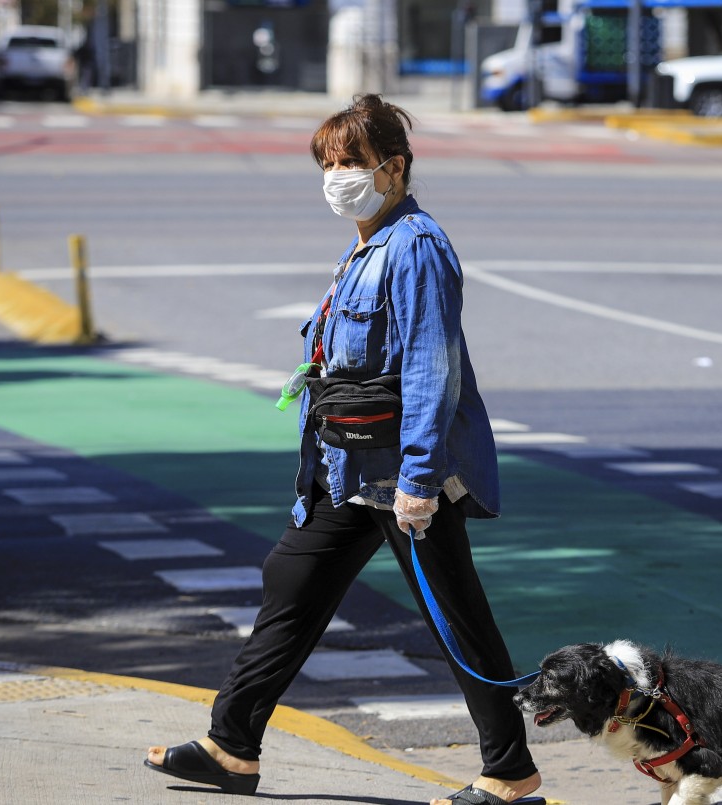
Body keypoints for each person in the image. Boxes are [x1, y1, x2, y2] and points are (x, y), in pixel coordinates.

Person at [144, 93, 544, 805]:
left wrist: (421, 478)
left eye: (350, 161)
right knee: (292, 579)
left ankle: (510, 773)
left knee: (457, 615)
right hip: (351, 464)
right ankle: (231, 744)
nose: (335, 175)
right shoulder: (368, 240)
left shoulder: (415, 246)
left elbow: (430, 366)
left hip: (401, 472)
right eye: (326, 162)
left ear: (393, 168)